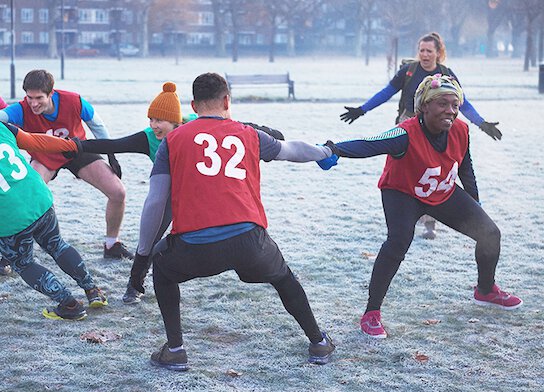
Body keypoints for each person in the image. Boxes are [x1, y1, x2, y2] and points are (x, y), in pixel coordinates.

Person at [137, 72, 335, 370]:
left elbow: (155, 201)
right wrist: (325, 152)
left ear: (193, 104)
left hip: (195, 245)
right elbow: (291, 149)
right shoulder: (249, 133)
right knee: (283, 278)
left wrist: (144, 251)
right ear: (226, 100)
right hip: (249, 241)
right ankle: (318, 342)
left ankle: (175, 349)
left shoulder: (173, 140)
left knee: (163, 270)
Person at [321, 74, 522, 339]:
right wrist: (333, 149)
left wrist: (474, 201)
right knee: (398, 242)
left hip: (441, 190)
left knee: (489, 233)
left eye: (454, 104)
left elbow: (464, 166)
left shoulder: (461, 129)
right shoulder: (405, 132)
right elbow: (371, 144)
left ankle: (485, 290)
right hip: (403, 192)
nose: (450, 110)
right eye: (442, 103)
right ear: (424, 106)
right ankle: (371, 313)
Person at [74, 81, 285, 305]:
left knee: (232, 234)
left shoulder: (198, 126)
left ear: (176, 122)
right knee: (150, 239)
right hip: (168, 195)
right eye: (151, 119)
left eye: (160, 121)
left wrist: (271, 133)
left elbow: (239, 127)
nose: (154, 125)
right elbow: (113, 144)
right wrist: (78, 146)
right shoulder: (148, 138)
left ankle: (277, 273)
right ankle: (134, 286)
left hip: (199, 195)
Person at [340, 32, 503, 239]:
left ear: (438, 53)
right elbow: (386, 93)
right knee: (408, 174)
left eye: (429, 51)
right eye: (421, 50)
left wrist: (481, 123)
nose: (424, 54)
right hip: (409, 125)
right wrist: (362, 110)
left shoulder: (446, 74)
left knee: (435, 172)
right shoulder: (408, 71)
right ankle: (408, 212)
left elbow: (461, 103)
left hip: (437, 126)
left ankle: (429, 224)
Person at [0, 69, 133, 260]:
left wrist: (111, 155)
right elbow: (2, 117)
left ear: (51, 93)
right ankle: (11, 253)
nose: (33, 103)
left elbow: (97, 125)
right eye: (30, 98)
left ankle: (112, 244)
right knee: (23, 200)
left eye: (39, 98)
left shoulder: (74, 101)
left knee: (118, 192)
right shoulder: (20, 109)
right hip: (44, 156)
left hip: (76, 151)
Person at [0, 121, 107, 320]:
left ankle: (69, 304)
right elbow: (35, 140)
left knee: (24, 264)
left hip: (9, 216)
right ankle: (93, 290)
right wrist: (68, 145)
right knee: (57, 245)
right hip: (38, 197)